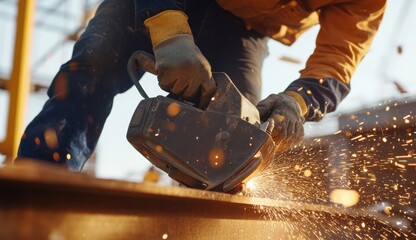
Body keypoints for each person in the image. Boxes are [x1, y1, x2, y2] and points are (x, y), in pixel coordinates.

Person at [17, 0, 386, 171]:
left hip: (243, 28)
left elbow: (338, 60)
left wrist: (297, 103)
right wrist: (166, 27)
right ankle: (42, 179)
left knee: (233, 145)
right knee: (93, 69)